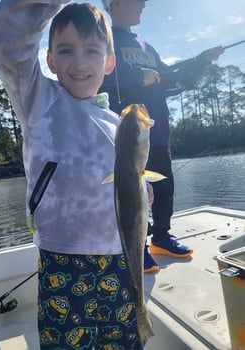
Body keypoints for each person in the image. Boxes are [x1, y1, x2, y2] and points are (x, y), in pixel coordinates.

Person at [0, 2, 144, 349]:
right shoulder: (38, 100)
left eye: (91, 50)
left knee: (124, 342)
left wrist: (141, 188)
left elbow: (126, 177)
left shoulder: (118, 124)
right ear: (49, 60)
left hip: (120, 259)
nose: (79, 62)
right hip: (63, 260)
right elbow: (5, 37)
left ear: (108, 62)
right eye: (66, 50)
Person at [100, 0, 224, 273]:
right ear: (116, 3)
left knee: (165, 188)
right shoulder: (104, 39)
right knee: (134, 194)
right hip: (128, 139)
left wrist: (201, 61)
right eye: (137, 1)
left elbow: (171, 79)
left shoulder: (149, 48)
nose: (144, 4)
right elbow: (98, 75)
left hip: (158, 134)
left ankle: (162, 236)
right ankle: (137, 246)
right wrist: (136, 75)